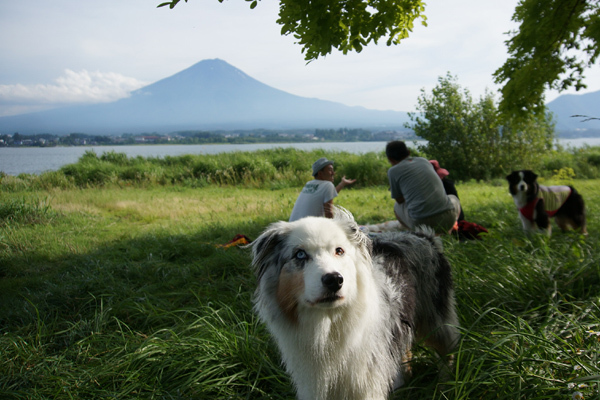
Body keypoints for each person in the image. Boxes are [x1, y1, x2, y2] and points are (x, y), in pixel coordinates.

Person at [386, 141, 461, 234]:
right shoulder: (424, 161)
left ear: (390, 159)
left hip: (421, 224)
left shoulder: (393, 171)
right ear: (408, 152)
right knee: (453, 198)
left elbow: (399, 200)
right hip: (447, 219)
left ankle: (414, 233)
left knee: (397, 207)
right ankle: (449, 230)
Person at [289, 157, 356, 221]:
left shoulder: (309, 184)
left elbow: (328, 194)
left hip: (293, 225)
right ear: (320, 173)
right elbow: (328, 213)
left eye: (333, 170)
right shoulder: (328, 185)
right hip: (306, 229)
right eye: (330, 170)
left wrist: (342, 184)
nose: (333, 173)